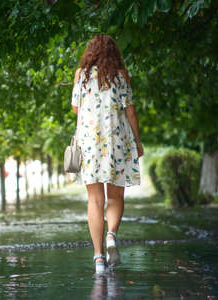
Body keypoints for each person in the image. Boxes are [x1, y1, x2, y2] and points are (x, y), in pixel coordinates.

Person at [71, 34, 144, 273]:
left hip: (90, 142)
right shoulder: (120, 76)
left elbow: (75, 108)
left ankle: (98, 257)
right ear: (114, 53)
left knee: (94, 200)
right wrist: (138, 142)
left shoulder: (81, 75)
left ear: (90, 52)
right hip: (117, 141)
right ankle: (111, 235)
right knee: (116, 196)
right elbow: (130, 112)